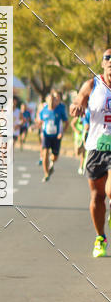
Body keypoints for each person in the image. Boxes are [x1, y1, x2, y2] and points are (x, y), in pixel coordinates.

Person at [70, 50, 111, 258]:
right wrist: (77, 106)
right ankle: (100, 238)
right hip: (96, 147)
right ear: (103, 63)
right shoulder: (93, 84)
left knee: (110, 190)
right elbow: (79, 100)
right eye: (108, 58)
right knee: (97, 196)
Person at [38, 92, 65, 181]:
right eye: (49, 100)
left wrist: (62, 132)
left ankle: (52, 163)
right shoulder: (44, 110)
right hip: (46, 135)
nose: (51, 102)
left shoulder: (60, 110)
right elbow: (40, 122)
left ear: (55, 101)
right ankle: (46, 174)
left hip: (56, 136)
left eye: (53, 100)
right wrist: (34, 128)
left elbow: (66, 122)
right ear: (46, 101)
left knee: (55, 157)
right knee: (45, 153)